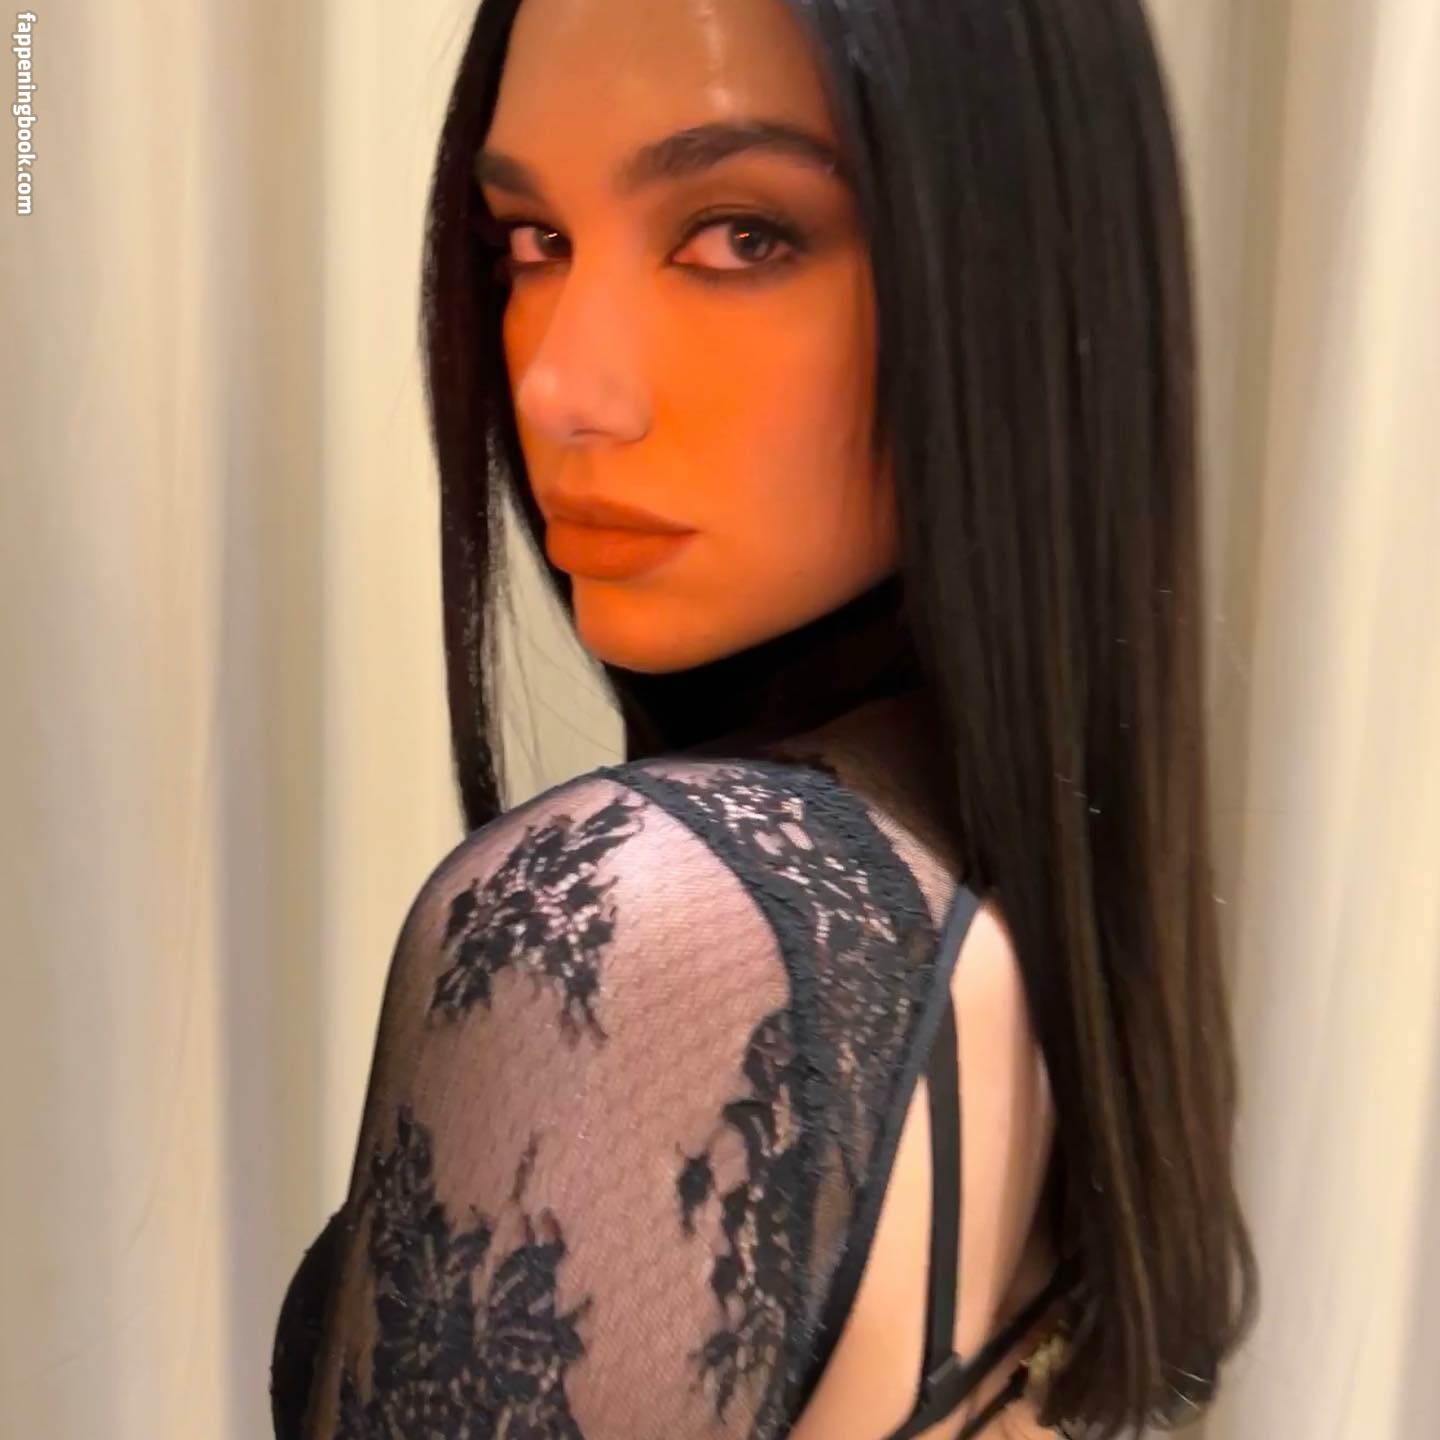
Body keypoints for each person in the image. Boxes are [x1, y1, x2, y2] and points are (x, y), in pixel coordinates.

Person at [270, 1, 1258, 1436]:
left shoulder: (646, 935)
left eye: (739, 236)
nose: (558, 389)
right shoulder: (1002, 910)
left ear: (1011, 283)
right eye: (532, 242)